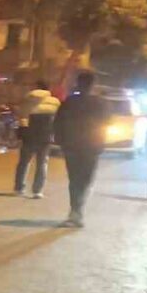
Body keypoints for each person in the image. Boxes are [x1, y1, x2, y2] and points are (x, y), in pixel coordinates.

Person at [54, 71, 110, 227]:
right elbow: (107, 122)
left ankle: (75, 210)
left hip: (72, 146)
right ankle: (77, 209)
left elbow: (58, 123)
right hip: (92, 146)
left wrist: (61, 142)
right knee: (86, 179)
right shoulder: (101, 103)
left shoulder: (69, 102)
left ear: (78, 83)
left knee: (74, 179)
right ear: (93, 85)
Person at [13, 80, 61, 198]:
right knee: (42, 163)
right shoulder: (55, 102)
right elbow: (58, 119)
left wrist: (20, 134)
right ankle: (37, 190)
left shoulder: (28, 99)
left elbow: (22, 117)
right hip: (46, 135)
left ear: (36, 87)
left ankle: (19, 188)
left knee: (24, 162)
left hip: (30, 134)